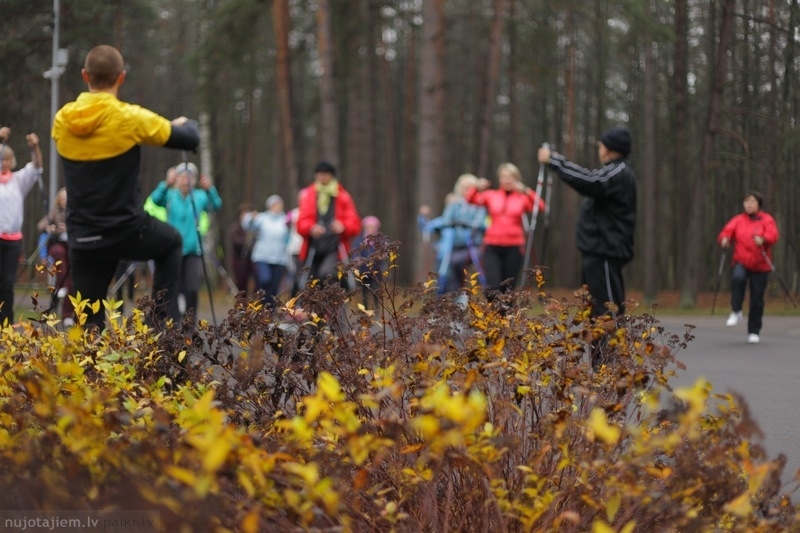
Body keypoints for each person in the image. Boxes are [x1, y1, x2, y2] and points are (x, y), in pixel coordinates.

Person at [52, 44, 200, 331]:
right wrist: (184, 124)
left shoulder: (62, 121)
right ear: (121, 77)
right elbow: (188, 138)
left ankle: (93, 371)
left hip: (82, 237)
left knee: (90, 323)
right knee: (171, 242)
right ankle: (157, 325)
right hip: (127, 231)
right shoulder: (130, 118)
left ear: (85, 75)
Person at [538, 127, 637, 318]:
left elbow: (591, 181)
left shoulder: (618, 170)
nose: (599, 150)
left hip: (606, 251)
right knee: (593, 310)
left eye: (601, 146)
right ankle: (599, 348)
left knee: (606, 311)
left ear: (608, 149)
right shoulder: (614, 170)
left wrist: (555, 161)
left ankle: (609, 349)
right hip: (597, 251)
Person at [149, 162, 222, 321]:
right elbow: (154, 200)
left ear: (194, 180)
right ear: (177, 179)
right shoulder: (170, 195)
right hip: (173, 249)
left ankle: (190, 321)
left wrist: (210, 188)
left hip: (193, 249)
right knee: (172, 288)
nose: (185, 181)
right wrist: (166, 183)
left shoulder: (200, 197)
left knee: (192, 288)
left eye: (189, 177)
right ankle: (174, 322)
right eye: (182, 177)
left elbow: (216, 205)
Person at [464, 163, 545, 297]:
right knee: (493, 285)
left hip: (514, 247)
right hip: (492, 246)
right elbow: (471, 199)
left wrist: (527, 191)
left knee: (508, 288)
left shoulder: (522, 198)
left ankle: (506, 317)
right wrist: (477, 187)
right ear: (499, 178)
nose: (507, 180)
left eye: (511, 176)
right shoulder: (491, 195)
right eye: (504, 176)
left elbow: (540, 206)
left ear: (516, 179)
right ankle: (493, 315)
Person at [717, 190, 779, 344]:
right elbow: (727, 231)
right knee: (737, 278)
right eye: (746, 202)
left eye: (752, 201)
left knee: (757, 298)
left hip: (761, 265)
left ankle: (754, 331)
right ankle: (736, 310)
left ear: (759, 204)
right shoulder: (738, 220)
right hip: (741, 261)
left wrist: (763, 239)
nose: (749, 204)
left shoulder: (767, 220)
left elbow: (773, 235)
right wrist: (724, 239)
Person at [0, 126, 43, 326]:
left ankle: (6, 322)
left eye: (7, 159)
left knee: (7, 284)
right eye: (1, 159)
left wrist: (35, 148)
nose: (4, 163)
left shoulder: (18, 181)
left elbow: (36, 168)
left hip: (12, 240)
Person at [420, 173, 487, 295]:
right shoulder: (454, 205)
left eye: (470, 187)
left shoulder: (479, 205)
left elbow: (482, 223)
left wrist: (466, 224)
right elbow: (445, 221)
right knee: (449, 270)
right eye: (464, 187)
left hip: (473, 245)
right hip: (454, 247)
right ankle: (452, 298)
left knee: (473, 267)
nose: (466, 190)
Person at [296, 161, 361, 286]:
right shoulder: (308, 195)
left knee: (327, 274)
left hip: (335, 247)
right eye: (320, 174)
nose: (322, 177)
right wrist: (311, 228)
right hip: (312, 247)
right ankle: (316, 304)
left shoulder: (343, 196)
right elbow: (301, 222)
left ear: (332, 176)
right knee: (309, 281)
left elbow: (354, 223)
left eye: (325, 174)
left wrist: (343, 226)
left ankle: (333, 303)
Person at [242, 195, 289, 309]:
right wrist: (251, 218)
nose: (277, 206)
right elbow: (247, 224)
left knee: (274, 287)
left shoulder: (285, 219)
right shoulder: (262, 218)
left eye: (279, 204)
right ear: (269, 206)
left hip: (279, 258)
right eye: (275, 204)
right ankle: (261, 305)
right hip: (262, 257)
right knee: (265, 280)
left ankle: (270, 311)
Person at [37, 187, 75, 325]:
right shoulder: (54, 211)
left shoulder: (74, 212)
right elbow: (40, 225)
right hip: (57, 245)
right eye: (62, 198)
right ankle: (61, 285)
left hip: (70, 246)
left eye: (67, 198)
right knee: (59, 254)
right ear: (59, 200)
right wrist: (49, 228)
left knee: (71, 282)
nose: (65, 201)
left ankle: (67, 316)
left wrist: (68, 228)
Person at [350, 215, 385, 309]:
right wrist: (356, 259)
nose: (370, 229)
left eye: (372, 226)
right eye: (368, 226)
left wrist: (382, 255)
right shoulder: (359, 239)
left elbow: (386, 251)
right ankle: (365, 310)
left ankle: (377, 309)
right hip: (363, 270)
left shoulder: (381, 239)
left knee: (376, 290)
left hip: (377, 270)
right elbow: (355, 251)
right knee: (364, 291)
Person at [228, 203, 255, 297]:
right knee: (241, 282)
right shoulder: (236, 227)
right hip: (238, 259)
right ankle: (242, 303)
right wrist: (247, 241)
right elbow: (236, 241)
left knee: (256, 280)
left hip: (251, 258)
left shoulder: (254, 227)